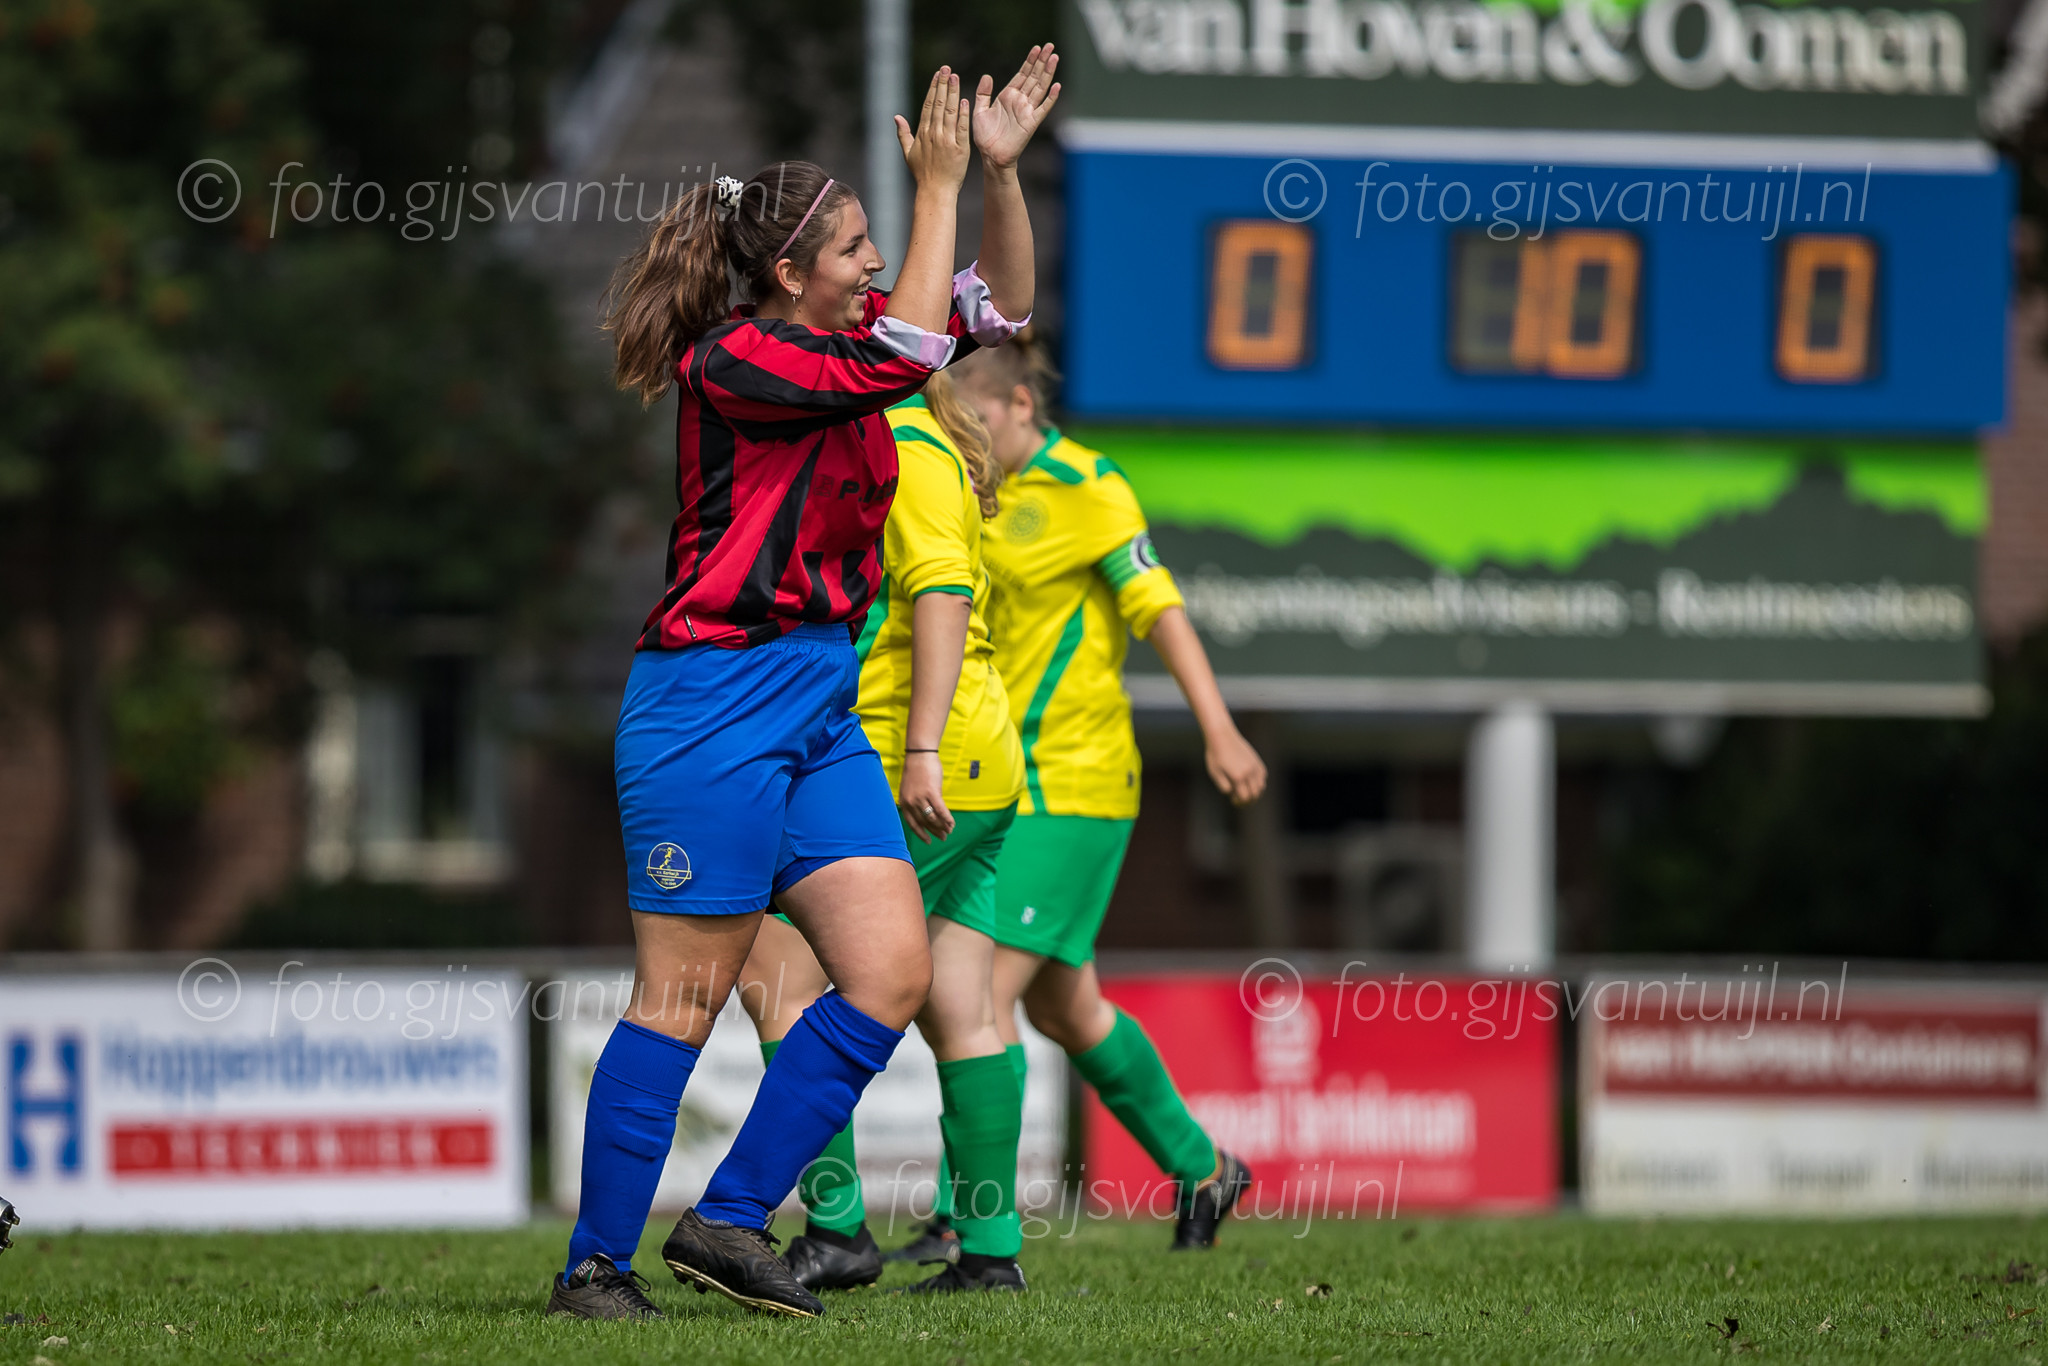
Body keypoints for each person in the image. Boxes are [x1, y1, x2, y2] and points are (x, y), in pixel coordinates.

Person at [545, 47, 1058, 1323]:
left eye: (880, 244)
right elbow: (907, 350)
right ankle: (594, 1270)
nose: (876, 264)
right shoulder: (738, 359)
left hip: (817, 705)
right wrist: (932, 187)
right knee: (684, 997)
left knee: (885, 973)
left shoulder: (852, 346)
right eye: (854, 249)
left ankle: (728, 1221)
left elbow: (1002, 311)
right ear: (788, 275)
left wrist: (993, 174)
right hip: (709, 702)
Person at [879, 332, 1267, 1262]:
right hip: (1002, 775)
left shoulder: (1089, 485)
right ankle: (1204, 1168)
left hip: (1074, 779)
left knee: (976, 993)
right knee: (1064, 1010)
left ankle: (964, 1218)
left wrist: (1218, 727)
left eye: (978, 419)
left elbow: (1159, 607)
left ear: (1021, 406)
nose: (966, 436)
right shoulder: (966, 489)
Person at [736, 370, 1028, 1296]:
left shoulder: (900, 442)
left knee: (781, 974)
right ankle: (991, 1252)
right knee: (962, 1009)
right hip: (967, 760)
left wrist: (921, 750)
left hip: (918, 760)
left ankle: (835, 1227)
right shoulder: (897, 433)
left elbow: (942, 593)